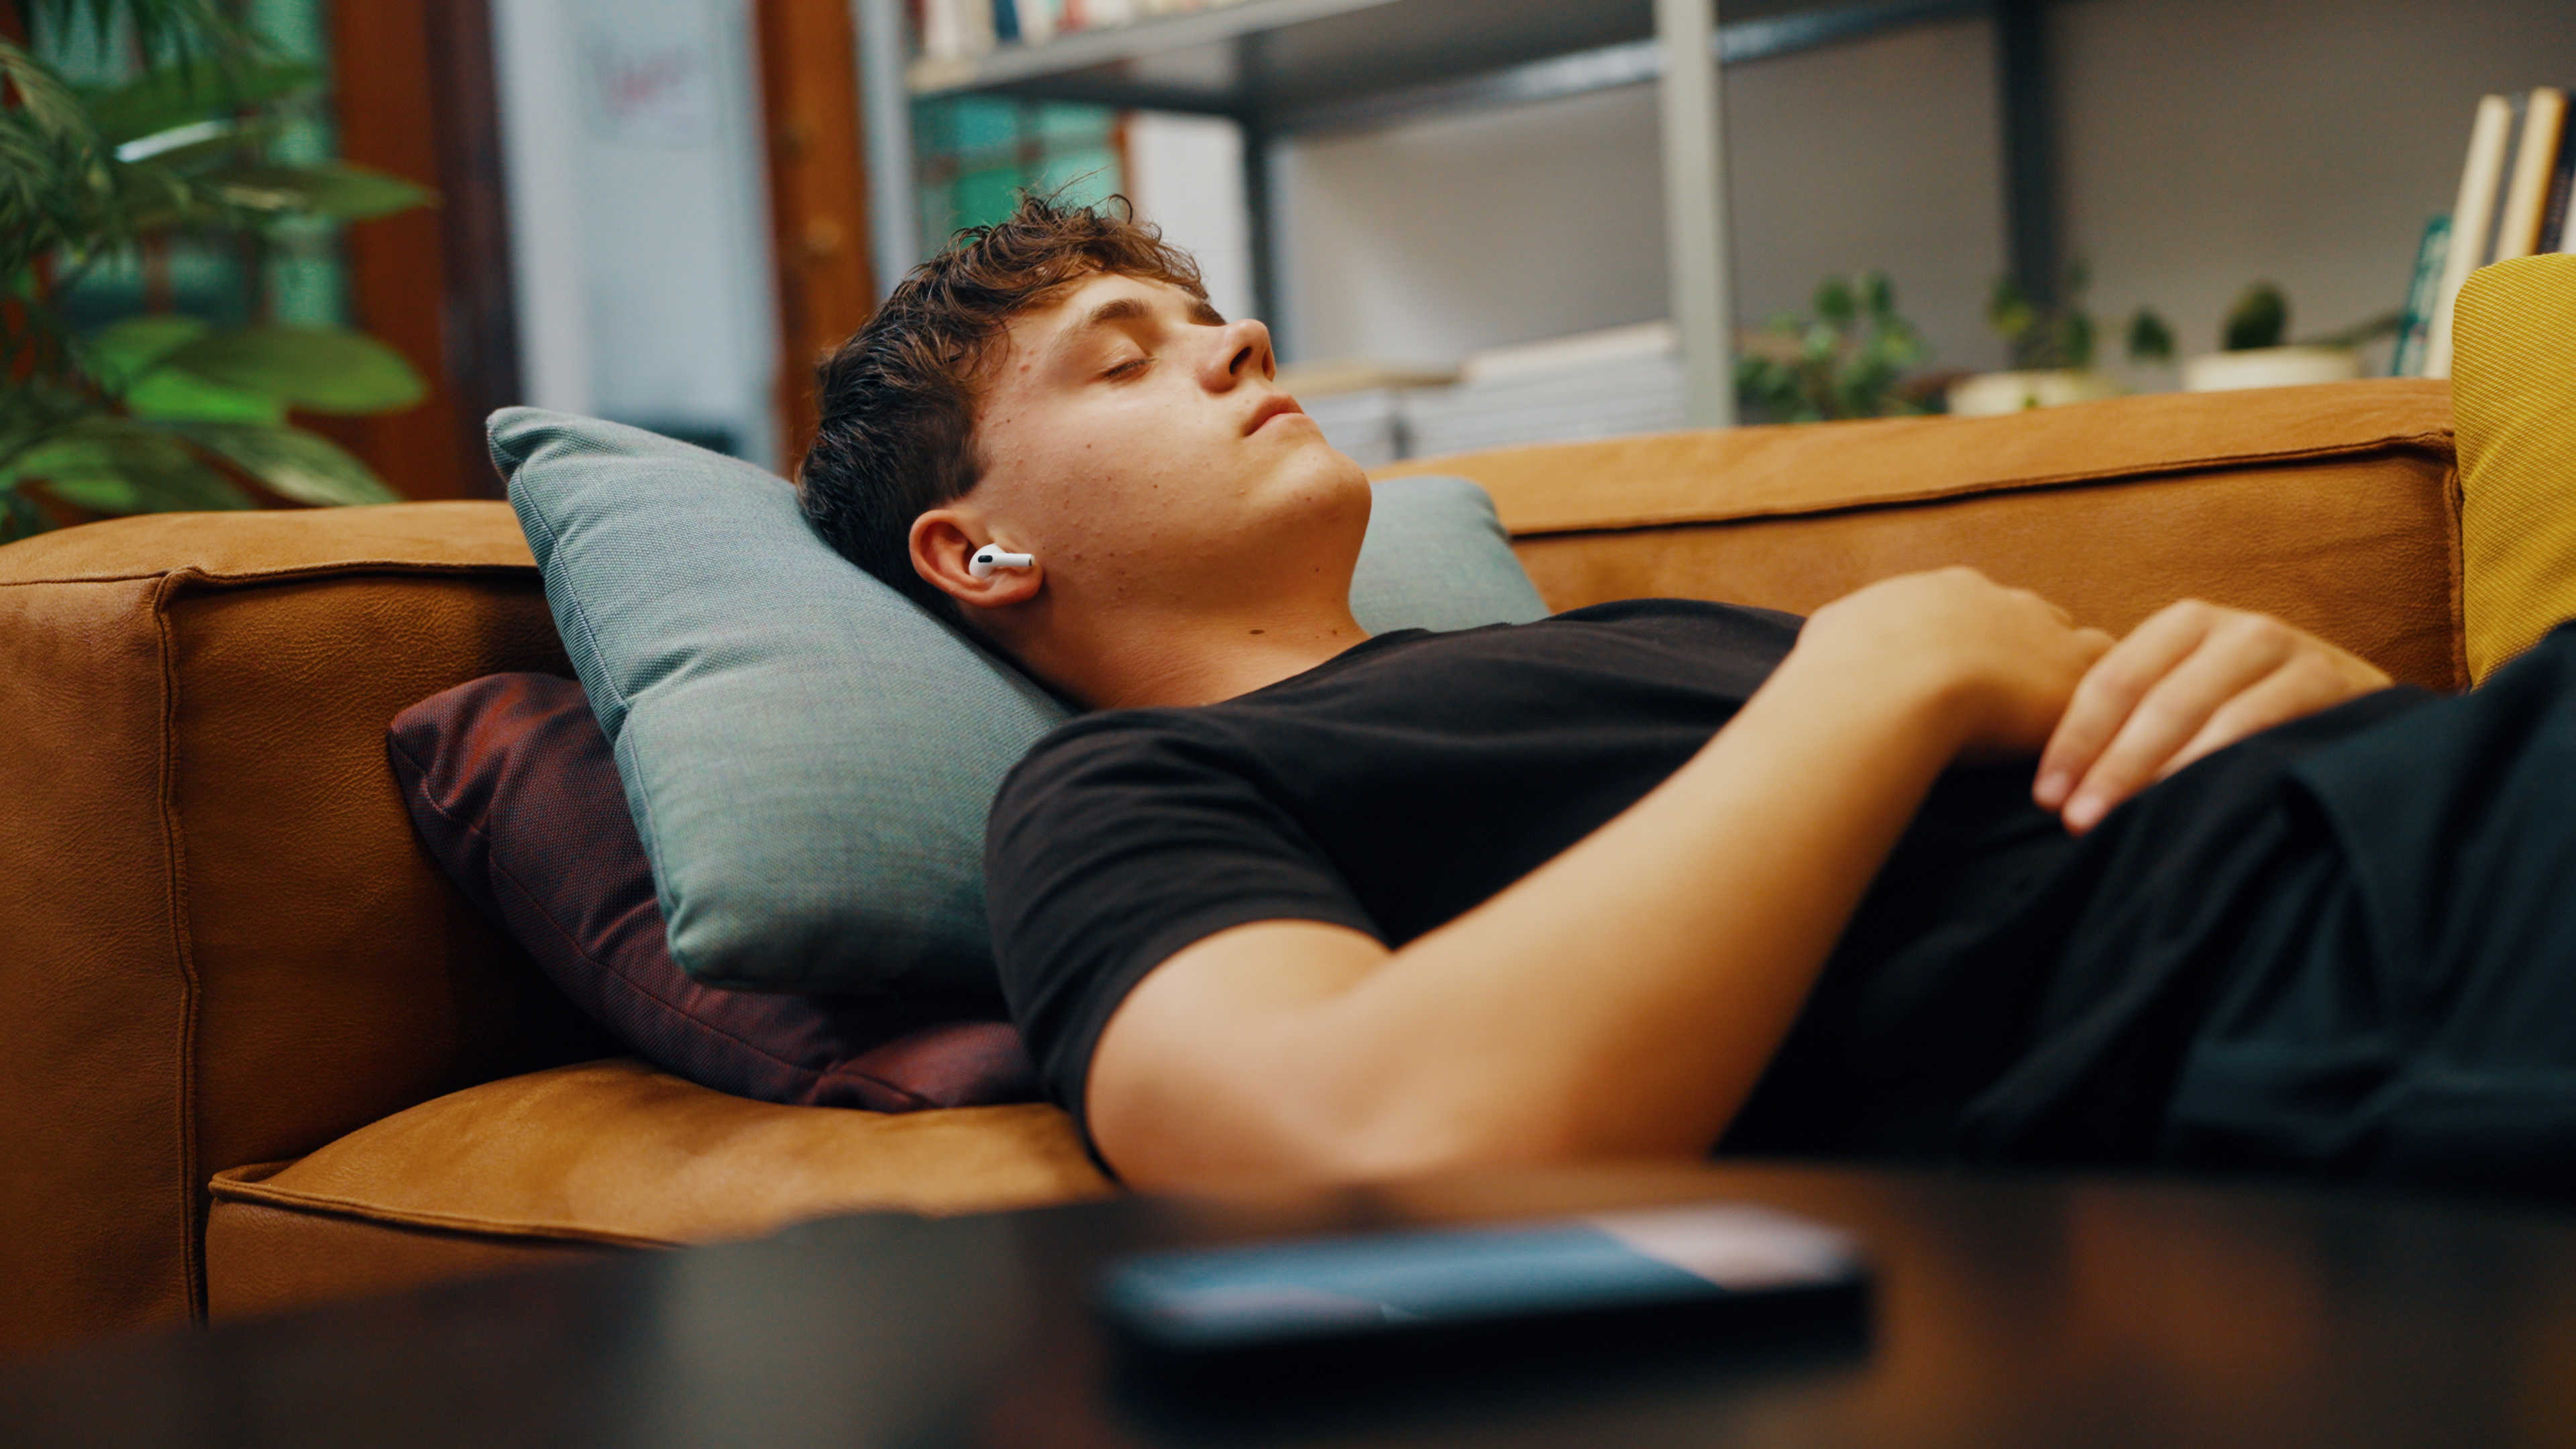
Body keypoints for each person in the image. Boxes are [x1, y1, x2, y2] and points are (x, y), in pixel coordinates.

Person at [800, 195, 2576, 1199]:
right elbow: (1345, 1142)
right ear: (980, 552)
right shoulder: (1120, 792)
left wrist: (2324, 703)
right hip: (2319, 980)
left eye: (1207, 320)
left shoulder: (1618, 643)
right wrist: (1892, 669)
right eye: (1124, 361)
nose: (1236, 343)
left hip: (2440, 802)